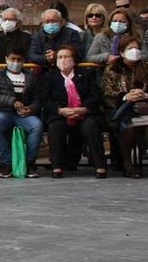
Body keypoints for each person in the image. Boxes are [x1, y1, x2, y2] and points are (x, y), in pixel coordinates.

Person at [39, 46, 105, 179]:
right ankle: (57, 166)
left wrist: (84, 109)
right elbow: (45, 100)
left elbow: (96, 96)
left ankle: (100, 165)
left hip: (84, 113)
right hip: (60, 114)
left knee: (90, 125)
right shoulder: (49, 77)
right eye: (60, 57)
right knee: (55, 127)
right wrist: (60, 110)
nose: (63, 60)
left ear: (74, 59)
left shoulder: (86, 74)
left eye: (67, 56)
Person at [0, 49, 43, 179]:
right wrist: (12, 101)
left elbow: (37, 99)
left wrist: (31, 109)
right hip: (3, 112)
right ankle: (7, 163)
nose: (15, 62)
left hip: (24, 114)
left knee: (37, 126)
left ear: (24, 61)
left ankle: (28, 163)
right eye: (13, 59)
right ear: (6, 59)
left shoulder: (31, 77)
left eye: (19, 60)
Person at [100, 36, 148, 176]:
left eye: (137, 48)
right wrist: (126, 96)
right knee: (127, 126)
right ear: (121, 52)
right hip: (119, 108)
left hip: (143, 106)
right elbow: (108, 93)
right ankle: (128, 162)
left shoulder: (145, 67)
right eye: (130, 49)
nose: (135, 51)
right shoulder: (113, 68)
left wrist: (143, 95)